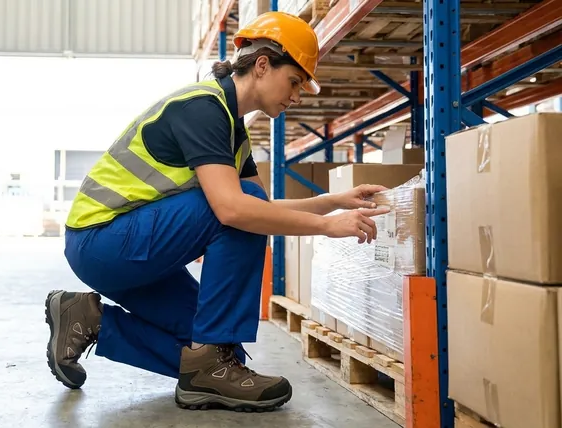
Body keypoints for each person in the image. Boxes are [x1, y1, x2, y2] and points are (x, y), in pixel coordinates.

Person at [44, 11, 390, 412]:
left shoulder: (231, 127)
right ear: (263, 65)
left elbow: (261, 209)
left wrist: (334, 202)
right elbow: (235, 209)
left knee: (224, 352)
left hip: (134, 251)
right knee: (240, 213)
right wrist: (327, 227)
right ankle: (208, 367)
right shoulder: (202, 107)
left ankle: (91, 322)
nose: (296, 96)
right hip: (101, 242)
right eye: (294, 81)